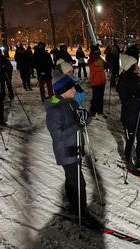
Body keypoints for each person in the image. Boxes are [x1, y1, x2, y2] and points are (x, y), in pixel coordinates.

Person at [44, 72, 99, 229]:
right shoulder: (54, 110)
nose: (75, 90)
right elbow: (58, 135)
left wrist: (86, 117)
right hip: (65, 151)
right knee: (79, 183)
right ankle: (82, 212)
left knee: (71, 179)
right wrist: (78, 125)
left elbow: (83, 116)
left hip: (75, 147)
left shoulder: (71, 102)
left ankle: (71, 201)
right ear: (63, 90)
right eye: (71, 88)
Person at [88, 45, 107, 118]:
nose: (98, 56)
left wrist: (106, 64)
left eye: (98, 54)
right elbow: (94, 68)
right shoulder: (91, 60)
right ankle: (93, 112)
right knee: (96, 97)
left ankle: (99, 111)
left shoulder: (100, 59)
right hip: (95, 81)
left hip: (102, 81)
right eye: (96, 54)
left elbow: (103, 63)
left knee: (101, 97)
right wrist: (103, 67)